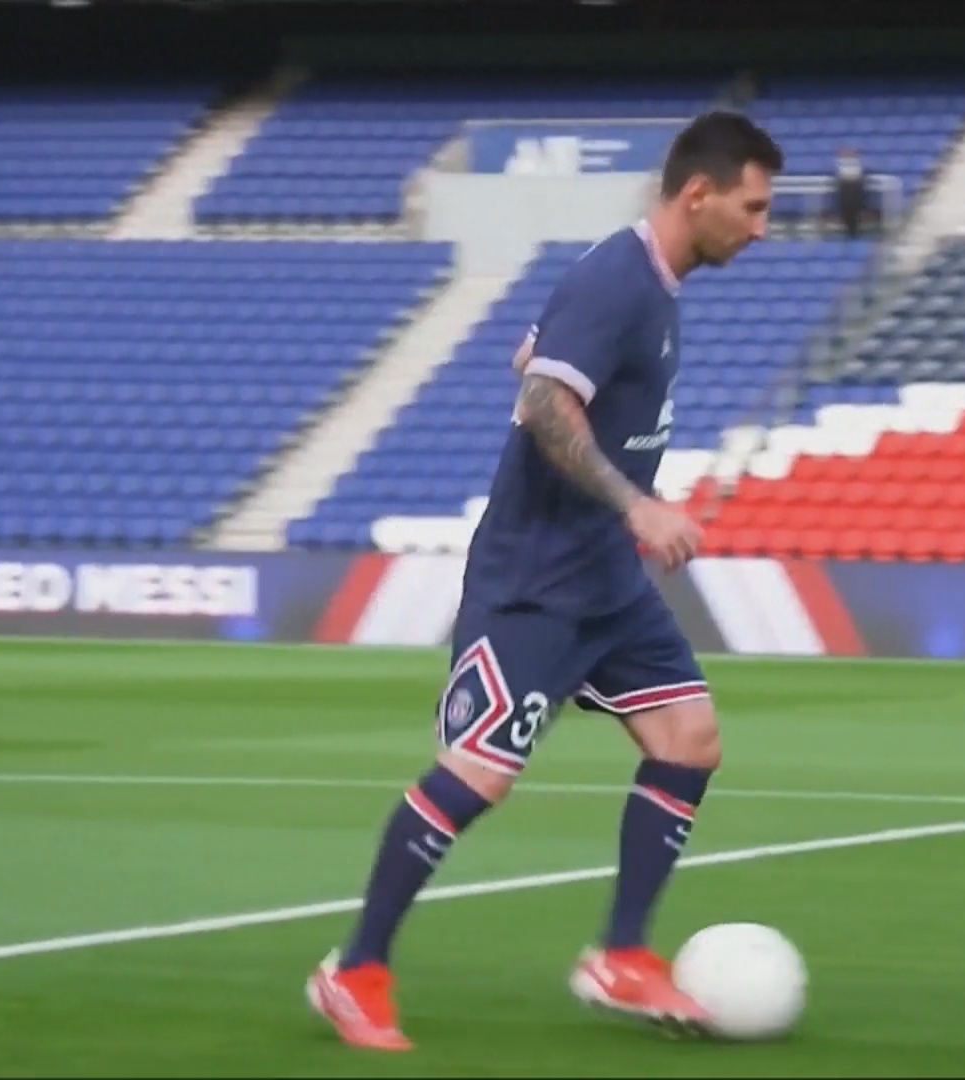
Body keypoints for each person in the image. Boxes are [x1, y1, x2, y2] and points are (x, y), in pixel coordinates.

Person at [305, 110, 784, 1052]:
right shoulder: (620, 278)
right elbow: (541, 399)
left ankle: (622, 956)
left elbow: (537, 357)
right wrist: (634, 502)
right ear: (699, 193)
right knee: (478, 776)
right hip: (536, 583)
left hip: (607, 584)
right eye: (754, 207)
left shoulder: (646, 284)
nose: (763, 229)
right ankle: (354, 972)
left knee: (689, 738)